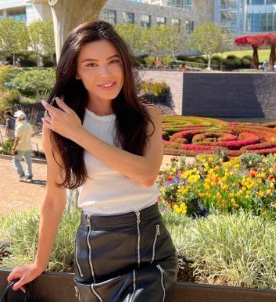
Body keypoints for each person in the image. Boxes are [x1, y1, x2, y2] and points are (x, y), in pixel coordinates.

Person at [8, 21, 177, 302]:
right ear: (75, 71)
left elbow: (146, 174)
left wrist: (79, 134)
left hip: (149, 248)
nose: (105, 73)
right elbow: (53, 199)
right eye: (91, 65)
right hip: (95, 250)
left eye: (113, 61)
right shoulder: (58, 126)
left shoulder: (147, 117)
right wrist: (38, 263)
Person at [11, 110, 34, 182]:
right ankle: (29, 176)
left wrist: (13, 148)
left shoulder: (19, 127)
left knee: (15, 160)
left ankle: (22, 175)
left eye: (17, 117)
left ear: (19, 118)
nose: (16, 119)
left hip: (21, 147)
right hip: (29, 146)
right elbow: (32, 135)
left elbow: (17, 139)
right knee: (28, 162)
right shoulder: (29, 125)